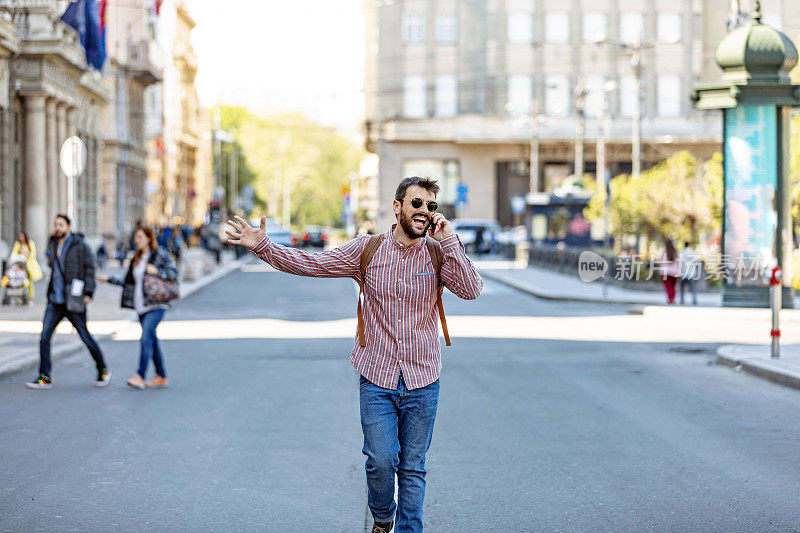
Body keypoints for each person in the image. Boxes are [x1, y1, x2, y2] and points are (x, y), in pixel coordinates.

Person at [226, 176, 483, 533]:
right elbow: (313, 264)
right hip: (376, 376)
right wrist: (264, 246)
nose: (424, 212)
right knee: (380, 461)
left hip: (424, 379)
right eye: (417, 204)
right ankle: (382, 515)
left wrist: (450, 241)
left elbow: (471, 290)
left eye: (431, 206)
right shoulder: (368, 249)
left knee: (413, 466)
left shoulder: (439, 252)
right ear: (398, 207)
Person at [27, 214, 110, 389]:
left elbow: (90, 269)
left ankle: (102, 369)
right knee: (44, 337)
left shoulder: (80, 246)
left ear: (69, 227)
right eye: (55, 224)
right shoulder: (53, 244)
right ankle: (45, 376)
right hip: (55, 300)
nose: (57, 228)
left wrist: (88, 293)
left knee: (85, 336)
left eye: (61, 225)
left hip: (73, 300)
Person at [97, 226, 179, 389]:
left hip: (157, 305)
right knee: (152, 340)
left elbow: (174, 272)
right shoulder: (136, 258)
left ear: (149, 238)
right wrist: (108, 278)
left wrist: (157, 271)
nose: (137, 240)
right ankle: (161, 376)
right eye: (136, 237)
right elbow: (128, 283)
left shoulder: (160, 254)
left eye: (140, 237)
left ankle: (140, 376)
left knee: (145, 338)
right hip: (141, 306)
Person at [10, 231, 43, 300]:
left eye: (22, 236)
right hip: (20, 266)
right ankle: (20, 298)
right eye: (19, 236)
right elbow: (13, 254)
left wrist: (26, 252)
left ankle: (30, 297)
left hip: (29, 266)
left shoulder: (30, 243)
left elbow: (33, 255)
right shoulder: (18, 244)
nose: (20, 238)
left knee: (29, 282)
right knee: (20, 281)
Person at [657, 238, 680, 305]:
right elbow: (679, 261)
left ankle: (670, 299)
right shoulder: (675, 251)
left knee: (668, 286)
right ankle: (673, 299)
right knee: (673, 287)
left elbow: (658, 260)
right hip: (674, 272)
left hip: (664, 272)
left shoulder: (662, 250)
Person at [679, 241, 701, 306]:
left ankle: (682, 300)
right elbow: (698, 261)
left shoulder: (681, 253)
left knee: (682, 288)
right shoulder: (692, 252)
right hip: (691, 273)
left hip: (683, 273)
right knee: (692, 288)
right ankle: (694, 300)